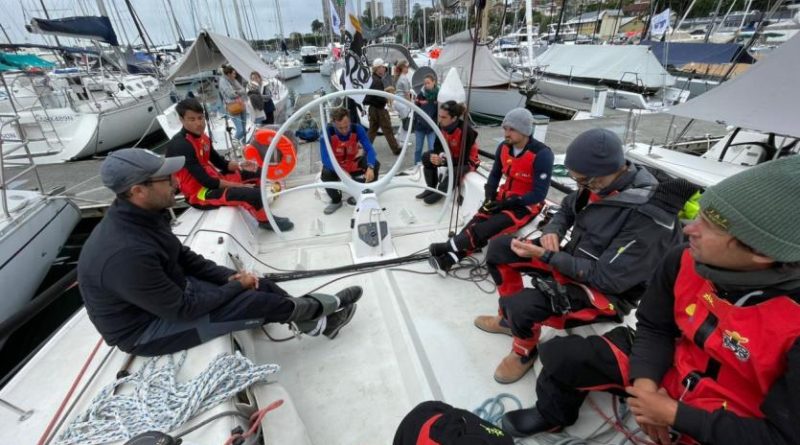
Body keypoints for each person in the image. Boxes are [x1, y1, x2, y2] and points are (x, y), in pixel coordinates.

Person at [500, 155, 800, 445]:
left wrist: (675, 415)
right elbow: (655, 326)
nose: (688, 228)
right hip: (672, 368)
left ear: (762, 252)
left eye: (710, 225)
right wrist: (646, 387)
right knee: (561, 356)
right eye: (699, 215)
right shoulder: (682, 259)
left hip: (733, 421)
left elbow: (784, 436)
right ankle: (553, 414)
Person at [78, 149, 363, 356]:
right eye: (166, 179)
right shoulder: (125, 254)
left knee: (258, 284)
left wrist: (235, 277)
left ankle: (319, 324)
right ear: (138, 191)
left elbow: (186, 259)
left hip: (172, 296)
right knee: (253, 302)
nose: (176, 183)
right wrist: (237, 287)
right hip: (147, 330)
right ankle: (325, 309)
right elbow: (181, 310)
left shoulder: (145, 217)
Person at [478, 128, 686, 384]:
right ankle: (508, 321)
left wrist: (546, 256)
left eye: (584, 181)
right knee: (500, 248)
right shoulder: (599, 182)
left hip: (607, 295)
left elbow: (608, 279)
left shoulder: (650, 217)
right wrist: (554, 230)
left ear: (613, 169)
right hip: (574, 263)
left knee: (522, 305)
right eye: (576, 181)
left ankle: (524, 349)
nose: (581, 187)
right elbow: (567, 207)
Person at [427, 108, 553, 274]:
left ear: (525, 131)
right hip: (501, 198)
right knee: (475, 223)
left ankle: (445, 248)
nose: (506, 133)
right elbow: (494, 175)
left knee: (484, 230)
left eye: (512, 129)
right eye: (505, 128)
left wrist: (509, 203)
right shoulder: (503, 147)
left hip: (523, 206)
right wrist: (489, 196)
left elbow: (539, 194)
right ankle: (448, 261)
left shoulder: (542, 154)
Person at [164, 98, 294, 231]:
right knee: (251, 193)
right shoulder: (181, 145)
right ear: (182, 120)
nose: (198, 123)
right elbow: (207, 182)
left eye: (200, 117)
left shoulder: (203, 138)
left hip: (214, 181)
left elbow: (221, 163)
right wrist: (240, 186)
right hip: (200, 195)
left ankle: (261, 206)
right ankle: (265, 220)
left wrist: (240, 165)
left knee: (256, 172)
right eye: (192, 119)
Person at [416, 100, 479, 205]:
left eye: (444, 117)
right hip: (450, 156)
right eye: (439, 116)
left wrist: (442, 160)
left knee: (455, 170)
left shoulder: (466, 131)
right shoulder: (441, 126)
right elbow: (437, 146)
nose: (440, 120)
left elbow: (463, 159)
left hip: (466, 160)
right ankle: (431, 188)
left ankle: (441, 192)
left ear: (454, 118)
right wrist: (438, 156)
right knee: (426, 157)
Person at [320, 107, 380, 215]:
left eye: (346, 126)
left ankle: (365, 193)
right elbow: (325, 159)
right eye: (340, 128)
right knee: (325, 173)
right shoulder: (326, 132)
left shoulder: (357, 129)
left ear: (350, 122)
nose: (344, 130)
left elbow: (370, 150)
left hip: (352, 163)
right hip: (337, 166)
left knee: (375, 164)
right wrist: (341, 171)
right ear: (333, 123)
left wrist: (370, 167)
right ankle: (336, 200)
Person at [363, 58, 400, 155]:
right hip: (379, 109)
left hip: (372, 109)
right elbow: (379, 97)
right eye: (383, 67)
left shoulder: (372, 79)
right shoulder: (377, 81)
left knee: (372, 131)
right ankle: (396, 149)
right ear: (378, 68)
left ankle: (365, 149)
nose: (384, 69)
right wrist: (386, 98)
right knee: (387, 129)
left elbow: (373, 95)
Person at [412, 74, 439, 165]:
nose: (426, 85)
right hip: (420, 127)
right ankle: (417, 164)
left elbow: (440, 112)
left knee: (432, 148)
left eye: (428, 83)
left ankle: (431, 166)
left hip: (432, 128)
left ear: (433, 82)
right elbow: (416, 109)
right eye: (425, 83)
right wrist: (419, 120)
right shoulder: (420, 95)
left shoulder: (438, 95)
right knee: (418, 148)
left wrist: (435, 123)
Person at [219, 65, 247, 142]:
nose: (235, 75)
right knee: (240, 130)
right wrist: (238, 92)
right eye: (233, 74)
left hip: (241, 104)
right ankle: (234, 143)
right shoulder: (223, 82)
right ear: (228, 74)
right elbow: (230, 94)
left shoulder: (233, 80)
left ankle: (243, 147)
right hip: (233, 106)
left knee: (244, 130)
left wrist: (236, 91)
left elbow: (243, 90)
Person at [392, 61, 412, 141]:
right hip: (402, 103)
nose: (408, 69)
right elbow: (407, 94)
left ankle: (399, 137)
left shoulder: (399, 77)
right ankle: (403, 140)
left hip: (397, 101)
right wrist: (410, 104)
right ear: (402, 68)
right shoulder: (404, 78)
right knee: (406, 123)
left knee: (404, 122)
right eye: (406, 67)